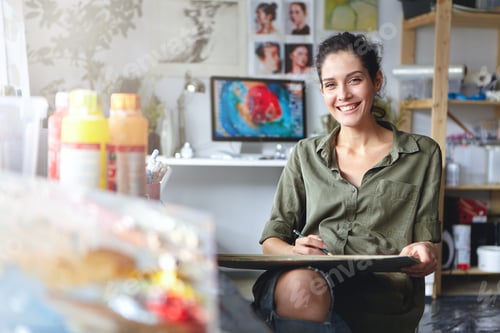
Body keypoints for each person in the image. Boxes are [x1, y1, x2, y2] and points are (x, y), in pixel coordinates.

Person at [251, 31, 442, 333]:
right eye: (330, 85)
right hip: (310, 283)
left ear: (376, 80)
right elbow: (271, 242)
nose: (343, 95)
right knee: (301, 288)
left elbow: (429, 242)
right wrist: (295, 250)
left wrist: (426, 252)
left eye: (354, 80)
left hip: (384, 296)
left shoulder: (422, 153)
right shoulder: (304, 154)